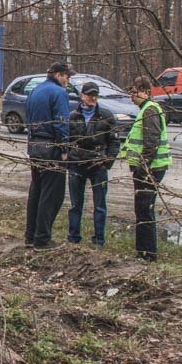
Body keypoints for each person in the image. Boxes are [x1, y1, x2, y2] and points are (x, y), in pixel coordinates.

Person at [121, 76, 171, 261]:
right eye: (131, 93)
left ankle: (148, 254)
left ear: (147, 92)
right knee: (141, 209)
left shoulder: (150, 110)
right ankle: (142, 251)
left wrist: (143, 167)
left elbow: (152, 142)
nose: (132, 97)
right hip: (148, 168)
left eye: (135, 92)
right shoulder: (146, 109)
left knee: (145, 209)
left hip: (151, 169)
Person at [24, 62, 73, 249]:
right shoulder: (59, 93)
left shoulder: (35, 90)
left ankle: (30, 236)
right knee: (51, 194)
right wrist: (64, 149)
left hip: (35, 146)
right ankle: (42, 239)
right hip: (51, 147)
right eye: (67, 77)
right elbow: (61, 122)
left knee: (36, 191)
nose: (68, 81)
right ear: (60, 74)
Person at [66, 82, 120, 246]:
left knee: (100, 205)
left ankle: (99, 239)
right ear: (82, 96)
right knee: (75, 204)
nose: (93, 98)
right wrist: (69, 158)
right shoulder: (73, 115)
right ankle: (73, 237)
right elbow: (65, 140)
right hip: (77, 163)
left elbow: (114, 142)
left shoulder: (106, 115)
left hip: (98, 165)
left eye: (95, 95)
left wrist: (107, 162)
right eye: (89, 95)